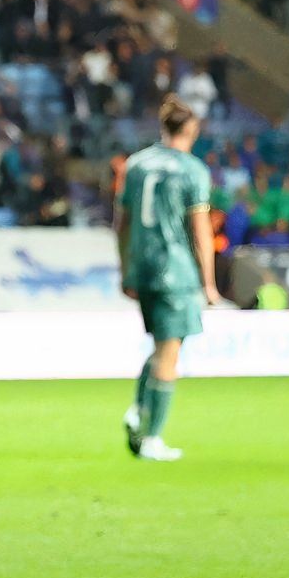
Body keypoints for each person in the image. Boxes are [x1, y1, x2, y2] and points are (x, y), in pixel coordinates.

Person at [116, 96, 222, 462]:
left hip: (142, 267)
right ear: (190, 130)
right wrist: (208, 282)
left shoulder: (136, 165)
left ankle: (138, 409)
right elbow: (200, 229)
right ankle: (151, 437)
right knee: (170, 353)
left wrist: (125, 268)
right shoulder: (192, 170)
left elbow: (122, 222)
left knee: (163, 344)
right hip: (174, 269)